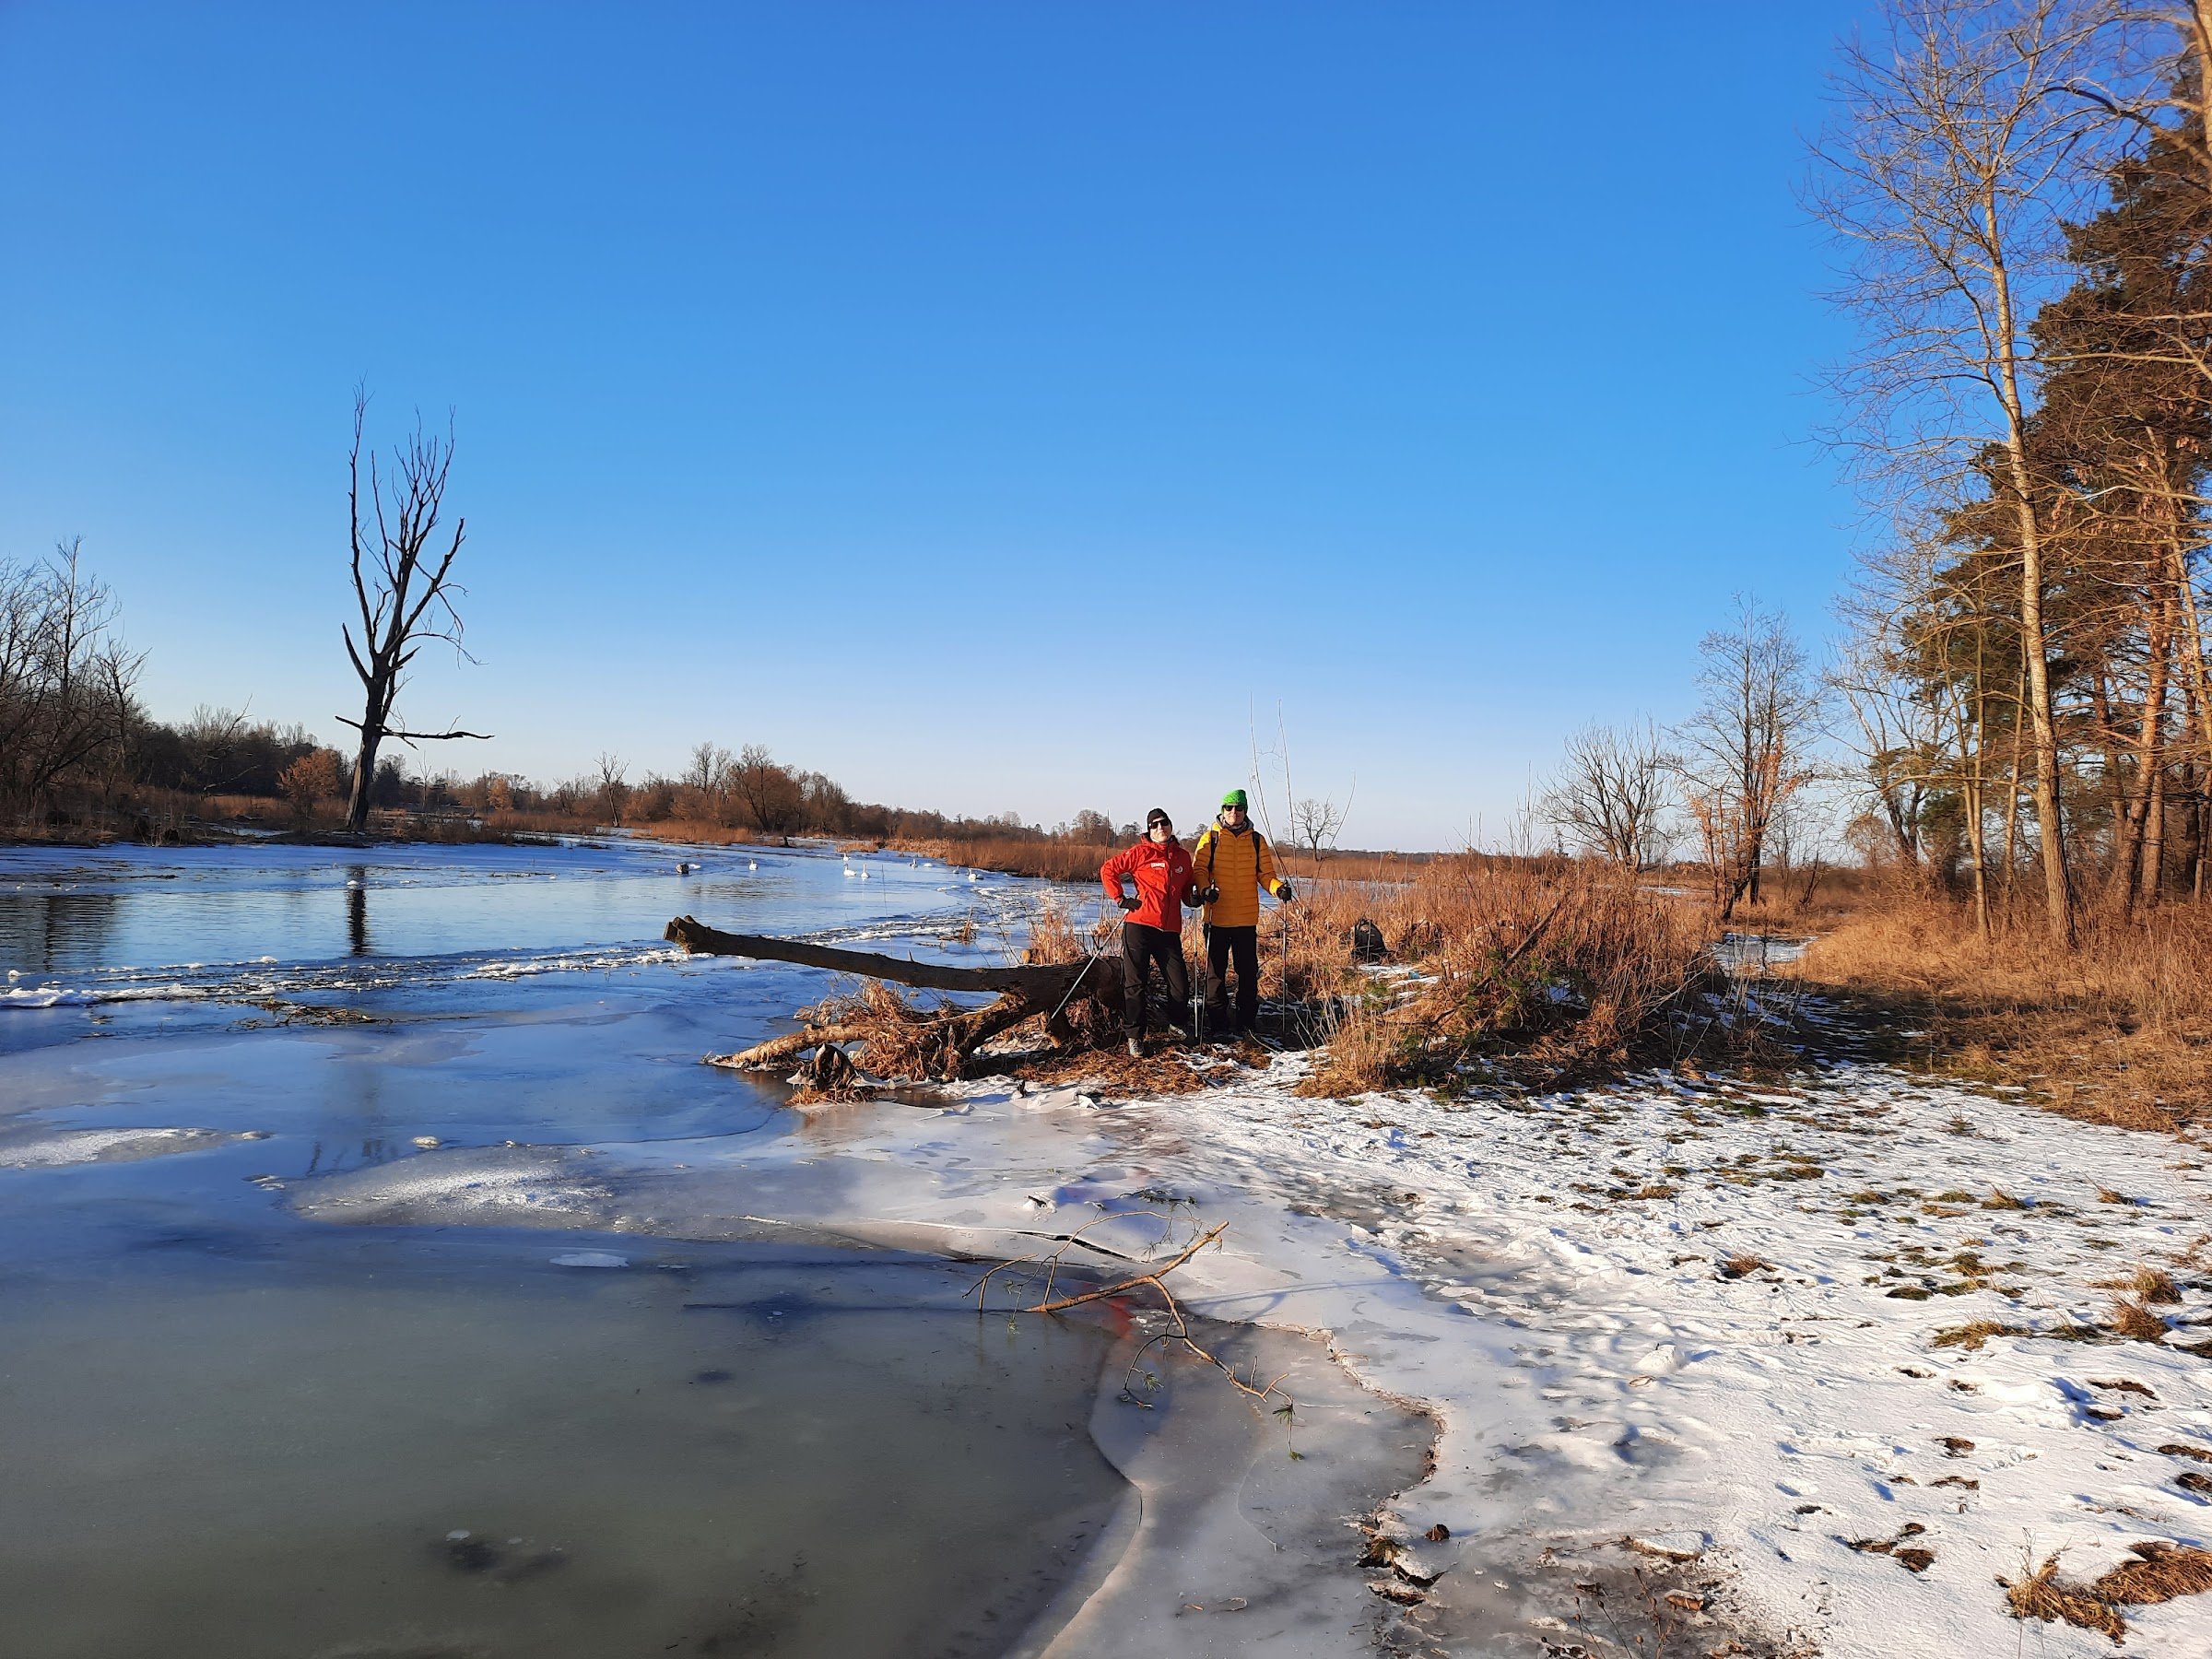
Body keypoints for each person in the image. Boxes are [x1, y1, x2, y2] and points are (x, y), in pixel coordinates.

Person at [1191, 788, 1292, 1037]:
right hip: (1217, 918)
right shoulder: (1210, 838)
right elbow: (1199, 870)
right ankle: (1218, 1024)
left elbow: (1265, 875)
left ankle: (1246, 1021)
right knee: (1216, 973)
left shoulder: (1257, 840)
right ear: (1222, 810)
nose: (1234, 812)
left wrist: (1278, 889)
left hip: (1246, 920)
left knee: (1248, 973)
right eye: (1229, 808)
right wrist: (1205, 891)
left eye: (1239, 808)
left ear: (1245, 810)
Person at [1100, 807, 1200, 1056]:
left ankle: (1176, 1025)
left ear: (1170, 824)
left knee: (1179, 985)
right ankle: (1135, 1036)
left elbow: (1186, 891)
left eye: (1163, 823)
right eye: (1154, 825)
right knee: (1136, 984)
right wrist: (1120, 898)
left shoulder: (1183, 858)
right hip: (1139, 926)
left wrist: (1195, 899)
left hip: (1169, 931)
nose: (1160, 828)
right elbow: (1108, 870)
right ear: (1149, 830)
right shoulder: (1140, 853)